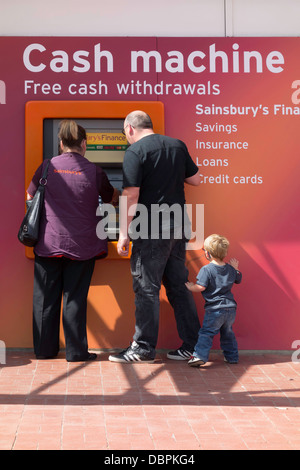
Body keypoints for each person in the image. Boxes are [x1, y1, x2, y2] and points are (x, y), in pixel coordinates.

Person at [108, 110, 201, 363]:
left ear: (129, 129)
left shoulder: (135, 152)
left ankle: (144, 348)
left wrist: (123, 233)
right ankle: (193, 346)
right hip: (179, 227)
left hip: (150, 229)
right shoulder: (177, 145)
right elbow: (195, 180)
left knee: (146, 289)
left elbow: (131, 195)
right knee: (179, 287)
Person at [27, 120, 119, 362]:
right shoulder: (96, 172)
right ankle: (76, 352)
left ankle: (44, 350)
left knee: (45, 299)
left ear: (60, 143)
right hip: (83, 245)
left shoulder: (47, 167)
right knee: (74, 297)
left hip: (48, 243)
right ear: (84, 144)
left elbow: (30, 195)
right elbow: (111, 199)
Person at [185, 234, 242, 367]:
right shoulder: (230, 268)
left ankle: (199, 356)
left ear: (208, 254)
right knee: (228, 332)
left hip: (215, 309)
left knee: (206, 332)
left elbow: (201, 287)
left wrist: (191, 287)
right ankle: (232, 357)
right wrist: (236, 268)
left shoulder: (206, 269)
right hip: (231, 308)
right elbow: (238, 279)